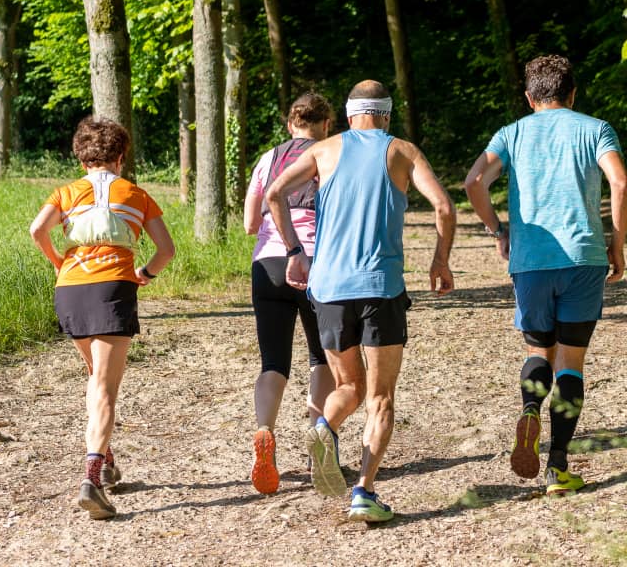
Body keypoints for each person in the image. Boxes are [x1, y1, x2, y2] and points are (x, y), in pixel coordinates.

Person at [266, 80, 456, 522]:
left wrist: (296, 252)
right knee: (381, 397)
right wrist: (440, 262)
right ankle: (364, 492)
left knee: (349, 387)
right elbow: (444, 207)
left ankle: (324, 427)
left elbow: (274, 194)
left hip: (329, 291)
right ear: (386, 114)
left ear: (350, 115)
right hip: (380, 289)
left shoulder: (323, 150)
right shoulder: (402, 151)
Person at [465, 54, 626, 495]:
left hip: (531, 261)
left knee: (539, 348)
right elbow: (621, 182)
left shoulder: (512, 133)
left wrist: (498, 230)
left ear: (529, 96)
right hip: (584, 258)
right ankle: (558, 467)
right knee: (571, 361)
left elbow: (474, 181)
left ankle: (531, 409)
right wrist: (617, 241)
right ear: (573, 93)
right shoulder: (595, 129)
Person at [29, 116, 175, 519]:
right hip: (113, 287)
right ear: (121, 156)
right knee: (106, 386)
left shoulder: (66, 192)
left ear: (81, 158)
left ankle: (107, 461)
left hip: (70, 289)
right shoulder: (137, 194)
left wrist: (60, 262)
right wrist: (144, 274)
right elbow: (166, 250)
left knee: (95, 377)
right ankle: (91, 476)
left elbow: (37, 229)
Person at [244, 92, 336, 495]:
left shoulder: (269, 158)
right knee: (323, 357)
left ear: (289, 125)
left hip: (269, 264)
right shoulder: (333, 154)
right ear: (327, 125)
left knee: (273, 361)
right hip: (318, 263)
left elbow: (250, 221)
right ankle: (321, 439)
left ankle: (265, 430)